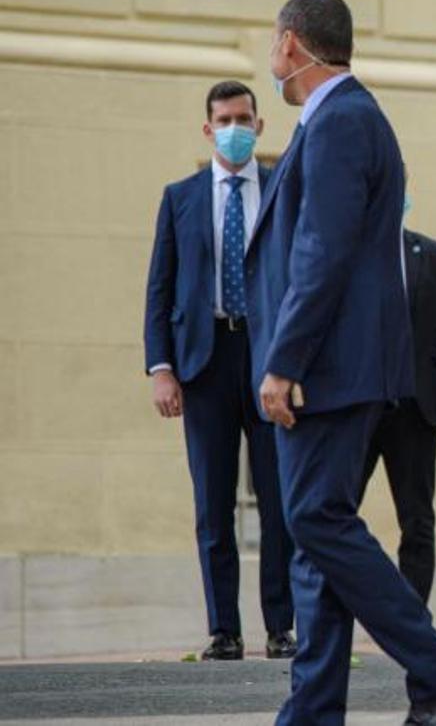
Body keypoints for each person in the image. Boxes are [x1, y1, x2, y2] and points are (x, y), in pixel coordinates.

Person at [247, 0, 436, 726]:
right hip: (339, 364)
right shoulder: (343, 118)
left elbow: (322, 252)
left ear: (291, 44)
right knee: (321, 536)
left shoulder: (343, 120)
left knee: (316, 520)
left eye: (272, 44)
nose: (271, 56)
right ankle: (313, 711)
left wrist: (284, 360)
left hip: (327, 368)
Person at [143, 80, 296, 662]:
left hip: (268, 362)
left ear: (259, 125)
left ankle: (281, 627)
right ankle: (224, 630)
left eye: (244, 117)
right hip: (203, 365)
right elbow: (160, 288)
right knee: (213, 504)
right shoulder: (180, 197)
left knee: (278, 500)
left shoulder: (283, 189)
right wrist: (162, 368)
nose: (234, 127)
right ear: (208, 129)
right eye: (224, 119)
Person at [357, 212, 436, 605]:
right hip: (357, 405)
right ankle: (329, 616)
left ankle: (412, 617)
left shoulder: (433, 255)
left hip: (417, 406)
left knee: (418, 521)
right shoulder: (344, 250)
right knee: (335, 514)